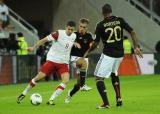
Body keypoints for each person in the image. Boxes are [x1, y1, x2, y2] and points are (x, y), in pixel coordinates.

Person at [17, 21, 80, 105]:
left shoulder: (74, 36)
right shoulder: (58, 33)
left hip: (63, 63)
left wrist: (75, 43)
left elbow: (69, 43)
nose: (70, 31)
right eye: (69, 29)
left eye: (72, 30)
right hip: (52, 60)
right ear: (66, 27)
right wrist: (34, 47)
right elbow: (44, 40)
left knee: (66, 80)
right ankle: (24, 93)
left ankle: (51, 100)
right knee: (38, 78)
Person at [93, 4, 143, 109]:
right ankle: (119, 98)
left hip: (108, 54)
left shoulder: (100, 25)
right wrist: (136, 47)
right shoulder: (119, 20)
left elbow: (95, 43)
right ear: (111, 11)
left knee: (98, 78)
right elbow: (132, 32)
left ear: (102, 13)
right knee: (113, 73)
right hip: (120, 55)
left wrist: (87, 51)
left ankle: (106, 103)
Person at [65, 18, 95, 103]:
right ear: (79, 26)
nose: (82, 28)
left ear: (87, 28)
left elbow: (92, 45)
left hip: (84, 60)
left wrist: (93, 45)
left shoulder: (89, 36)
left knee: (77, 84)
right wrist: (74, 43)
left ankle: (70, 94)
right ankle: (83, 85)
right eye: (81, 26)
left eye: (84, 27)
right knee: (83, 62)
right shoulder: (73, 34)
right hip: (74, 58)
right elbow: (65, 41)